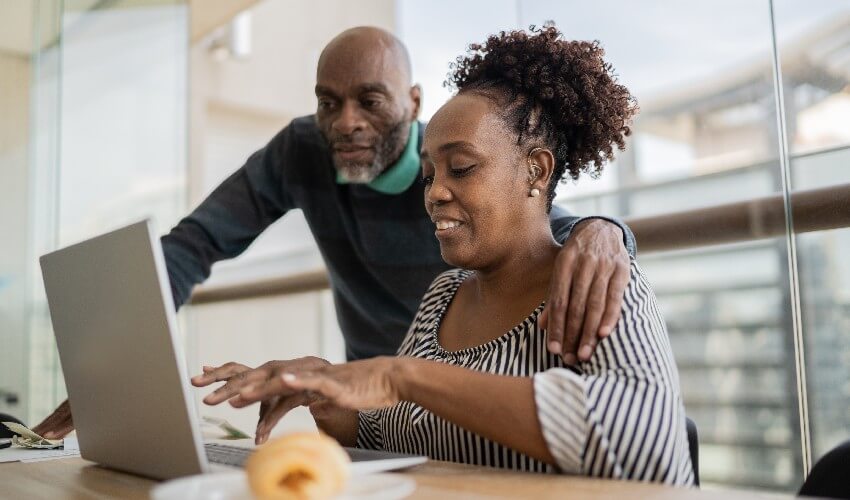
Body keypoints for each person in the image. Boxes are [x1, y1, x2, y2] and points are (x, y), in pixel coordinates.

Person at [34, 27, 636, 441]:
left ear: (414, 100)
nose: (345, 123)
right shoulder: (303, 151)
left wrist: (606, 230)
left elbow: (546, 228)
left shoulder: (460, 174)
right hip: (367, 415)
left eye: (370, 101)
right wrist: (113, 366)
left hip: (466, 409)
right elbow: (193, 245)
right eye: (328, 103)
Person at [202, 25, 693, 485]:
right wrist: (325, 391)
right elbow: (390, 434)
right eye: (430, 175)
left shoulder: (595, 282)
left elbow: (644, 439)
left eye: (460, 168)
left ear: (536, 171)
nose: (434, 194)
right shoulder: (444, 294)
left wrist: (402, 375)